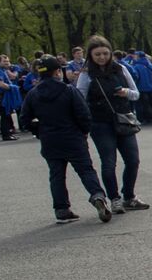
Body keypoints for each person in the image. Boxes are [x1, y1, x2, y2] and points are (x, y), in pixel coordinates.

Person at [18, 56, 112, 223]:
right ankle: (97, 195)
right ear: (57, 72)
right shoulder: (68, 90)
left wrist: (38, 130)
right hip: (73, 137)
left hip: (49, 139)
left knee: (57, 175)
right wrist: (84, 131)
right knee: (86, 170)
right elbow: (84, 114)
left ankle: (62, 209)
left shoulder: (33, 94)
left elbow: (24, 119)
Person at [75, 36, 150, 214]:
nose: (102, 57)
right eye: (97, 54)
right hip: (100, 123)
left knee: (133, 160)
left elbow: (136, 93)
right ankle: (114, 198)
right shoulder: (86, 74)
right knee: (109, 163)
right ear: (90, 55)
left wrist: (126, 92)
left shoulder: (121, 69)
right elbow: (80, 98)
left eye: (105, 53)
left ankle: (129, 196)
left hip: (123, 119)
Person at [0, 54, 21, 141]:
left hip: (4, 96)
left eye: (8, 61)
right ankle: (6, 135)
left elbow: (12, 77)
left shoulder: (2, 70)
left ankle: (8, 133)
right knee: (5, 116)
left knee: (7, 115)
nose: (7, 63)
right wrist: (13, 88)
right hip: (2, 96)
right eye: (4, 61)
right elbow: (1, 84)